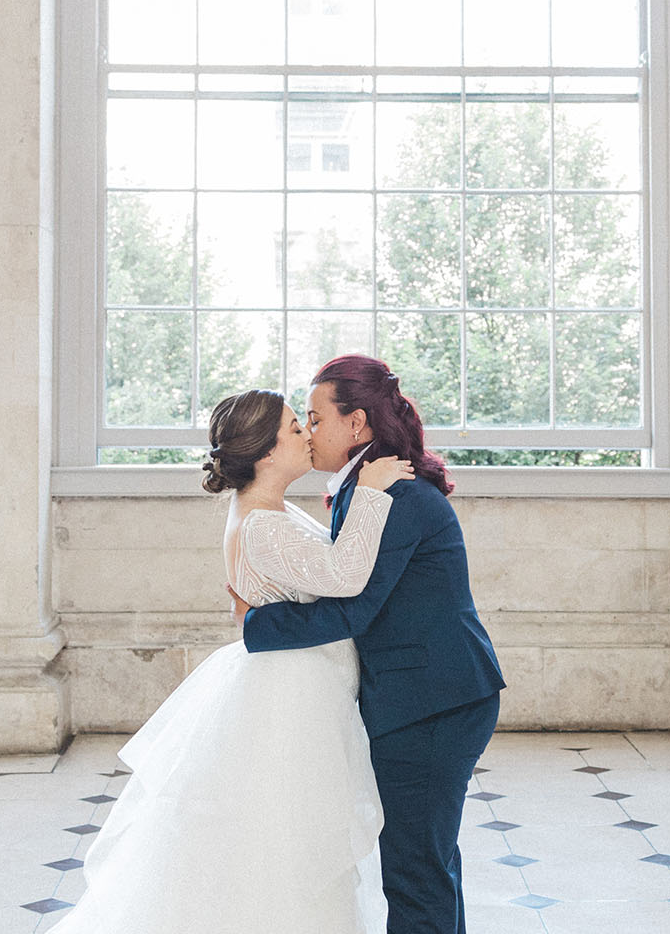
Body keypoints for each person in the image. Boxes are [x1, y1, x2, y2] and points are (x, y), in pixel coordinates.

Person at [52, 388, 415, 933]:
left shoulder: (269, 509)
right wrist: (368, 492)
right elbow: (344, 577)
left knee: (285, 838)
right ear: (266, 454)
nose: (309, 435)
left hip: (296, 679)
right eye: (297, 428)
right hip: (289, 693)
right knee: (283, 845)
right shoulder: (262, 524)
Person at [233, 355, 506, 934]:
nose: (308, 432)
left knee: (414, 870)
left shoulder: (395, 497)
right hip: (420, 695)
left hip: (433, 701)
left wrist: (257, 624)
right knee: (427, 861)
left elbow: (354, 607)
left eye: (313, 417)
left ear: (355, 424)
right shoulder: (365, 489)